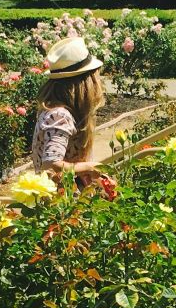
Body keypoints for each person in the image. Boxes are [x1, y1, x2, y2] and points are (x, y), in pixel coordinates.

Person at [30, 35, 115, 194]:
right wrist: (90, 168)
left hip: (68, 198)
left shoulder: (58, 112)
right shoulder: (60, 116)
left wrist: (97, 178)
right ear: (86, 82)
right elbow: (51, 165)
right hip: (61, 203)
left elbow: (70, 161)